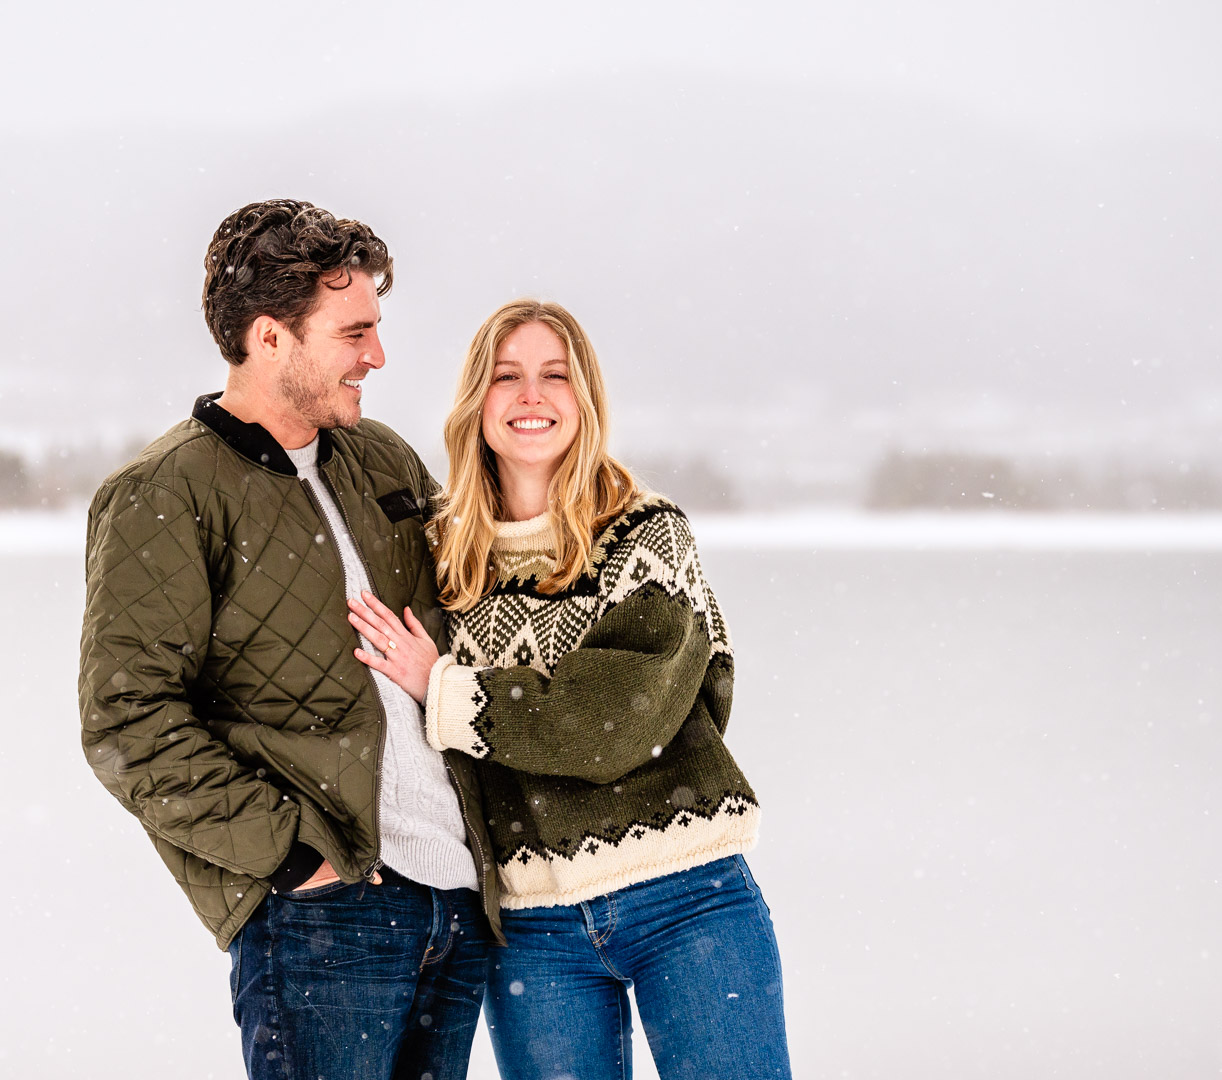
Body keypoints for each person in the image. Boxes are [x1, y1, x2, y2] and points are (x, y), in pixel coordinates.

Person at [78, 199, 500, 1080]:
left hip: (454, 904)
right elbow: (128, 722)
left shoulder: (379, 458)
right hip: (323, 917)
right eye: (353, 333)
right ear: (269, 337)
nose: (376, 357)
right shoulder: (166, 491)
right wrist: (291, 857)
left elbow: (478, 604)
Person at [345, 299, 793, 1079]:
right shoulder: (444, 561)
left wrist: (452, 694)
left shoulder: (647, 536)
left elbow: (610, 724)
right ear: (475, 402)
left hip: (685, 898)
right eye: (506, 376)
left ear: (584, 399)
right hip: (529, 925)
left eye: (554, 376)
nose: (530, 397)